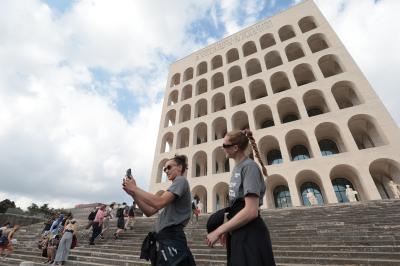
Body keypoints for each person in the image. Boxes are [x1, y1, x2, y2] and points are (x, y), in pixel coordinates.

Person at [206, 129, 275, 266]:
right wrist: (228, 227)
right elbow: (235, 205)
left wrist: (219, 230)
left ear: (235, 148)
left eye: (225, 145)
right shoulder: (237, 168)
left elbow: (251, 211)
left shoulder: (250, 167)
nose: (222, 148)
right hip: (238, 231)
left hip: (250, 234)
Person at [122, 154, 196, 265]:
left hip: (172, 237)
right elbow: (149, 211)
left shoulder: (180, 180)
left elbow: (158, 202)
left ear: (180, 167)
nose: (166, 170)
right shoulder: (172, 190)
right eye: (164, 168)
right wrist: (133, 194)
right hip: (165, 239)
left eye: (169, 167)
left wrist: (135, 188)